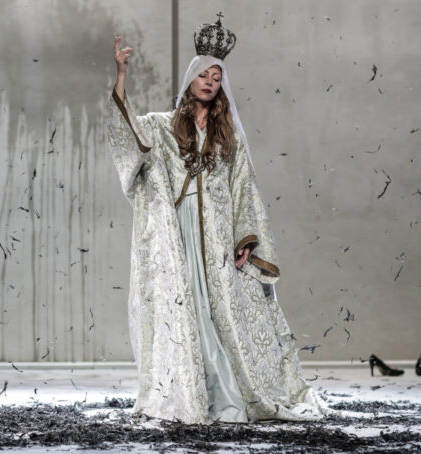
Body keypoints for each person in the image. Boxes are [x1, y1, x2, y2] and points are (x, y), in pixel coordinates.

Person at [107, 15, 330, 424]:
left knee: (219, 314)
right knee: (187, 310)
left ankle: (226, 393)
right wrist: (122, 76)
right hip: (180, 233)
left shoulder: (229, 138)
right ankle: (192, 393)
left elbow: (244, 187)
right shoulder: (163, 127)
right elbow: (130, 137)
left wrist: (247, 238)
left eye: (216, 77)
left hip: (218, 237)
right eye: (203, 75)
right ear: (190, 79)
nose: (209, 82)